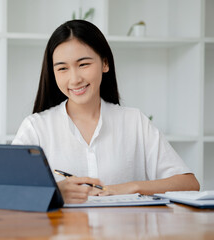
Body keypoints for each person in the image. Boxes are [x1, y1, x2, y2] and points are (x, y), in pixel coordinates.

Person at [12, 20, 200, 204]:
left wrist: (131, 187)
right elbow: (6, 189)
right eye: (62, 68)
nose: (75, 79)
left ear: (105, 64)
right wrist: (56, 192)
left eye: (83, 64)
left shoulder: (134, 121)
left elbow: (189, 184)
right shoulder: (36, 127)